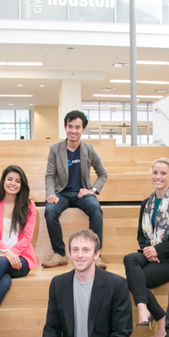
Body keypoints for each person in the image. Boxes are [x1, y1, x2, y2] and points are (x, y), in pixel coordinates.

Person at [124, 158, 169, 337]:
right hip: (150, 253)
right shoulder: (146, 203)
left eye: (163, 173)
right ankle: (155, 316)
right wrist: (149, 250)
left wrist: (158, 250)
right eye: (155, 172)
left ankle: (155, 317)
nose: (158, 177)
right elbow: (141, 235)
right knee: (129, 258)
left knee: (132, 281)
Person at [42, 110, 108, 270]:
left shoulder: (89, 149)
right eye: (70, 126)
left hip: (82, 193)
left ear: (83, 129)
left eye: (77, 127)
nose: (73, 130)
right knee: (49, 210)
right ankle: (59, 254)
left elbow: (102, 174)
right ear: (65, 127)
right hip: (62, 193)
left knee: (96, 209)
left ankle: (95, 254)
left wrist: (92, 190)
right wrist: (50, 193)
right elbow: (49, 175)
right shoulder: (55, 149)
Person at [0, 165, 38, 311]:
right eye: (10, 179)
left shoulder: (29, 206)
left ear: (22, 185)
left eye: (17, 181)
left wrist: (10, 253)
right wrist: (5, 252)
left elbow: (27, 237)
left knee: (0, 263)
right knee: (5, 281)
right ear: (3, 181)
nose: (13, 183)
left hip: (21, 260)